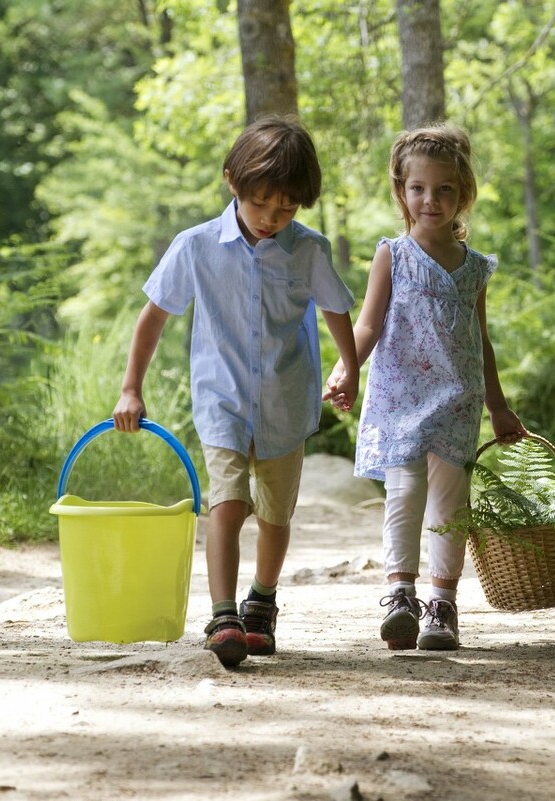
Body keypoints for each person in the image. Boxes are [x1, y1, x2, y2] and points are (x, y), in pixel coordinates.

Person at [114, 116, 359, 668]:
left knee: (275, 515)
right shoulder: (196, 246)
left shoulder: (308, 250)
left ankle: (261, 604)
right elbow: (152, 318)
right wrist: (132, 388)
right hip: (221, 399)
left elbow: (335, 308)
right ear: (233, 182)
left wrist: (349, 367)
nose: (273, 219)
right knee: (225, 505)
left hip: (285, 401)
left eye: (287, 209)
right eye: (262, 204)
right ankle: (223, 614)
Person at [326, 124, 526, 652]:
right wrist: (346, 368)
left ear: (463, 195)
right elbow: (367, 324)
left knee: (449, 502)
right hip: (399, 395)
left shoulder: (475, 268)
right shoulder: (393, 255)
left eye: (443, 190)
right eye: (418, 189)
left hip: (457, 398)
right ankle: (400, 593)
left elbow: (480, 341)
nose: (430, 200)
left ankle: (443, 605)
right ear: (401, 192)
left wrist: (499, 407)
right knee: (405, 493)